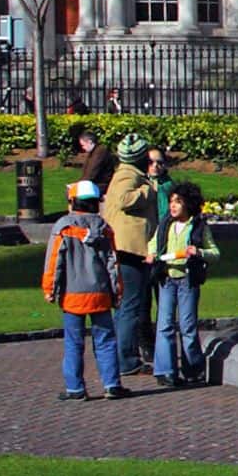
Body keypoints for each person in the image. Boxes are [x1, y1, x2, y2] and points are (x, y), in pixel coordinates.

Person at [43, 180, 127, 401]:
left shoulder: (63, 226)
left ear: (73, 202)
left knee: (74, 342)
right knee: (106, 340)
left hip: (73, 294)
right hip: (100, 293)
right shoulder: (105, 228)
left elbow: (54, 261)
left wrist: (49, 288)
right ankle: (112, 384)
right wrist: (117, 291)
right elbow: (113, 264)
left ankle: (76, 388)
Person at [100, 134, 157, 377]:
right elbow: (125, 200)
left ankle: (121, 355)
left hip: (125, 247)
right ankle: (126, 359)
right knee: (129, 306)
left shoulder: (128, 174)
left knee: (126, 306)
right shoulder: (128, 175)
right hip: (128, 249)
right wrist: (148, 189)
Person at [151, 182, 218, 386]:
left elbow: (215, 253)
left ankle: (193, 369)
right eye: (171, 201)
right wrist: (152, 253)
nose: (172, 206)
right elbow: (153, 243)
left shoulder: (198, 226)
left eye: (177, 202)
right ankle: (165, 371)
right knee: (164, 325)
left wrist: (199, 252)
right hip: (167, 279)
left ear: (188, 204)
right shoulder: (165, 224)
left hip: (188, 280)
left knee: (188, 326)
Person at [71, 126, 116, 193]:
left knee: (76, 193)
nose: (83, 148)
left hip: (101, 185)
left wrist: (78, 185)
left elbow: (92, 173)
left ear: (90, 142)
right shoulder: (93, 152)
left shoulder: (100, 152)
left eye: (83, 145)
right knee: (71, 191)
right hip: (94, 184)